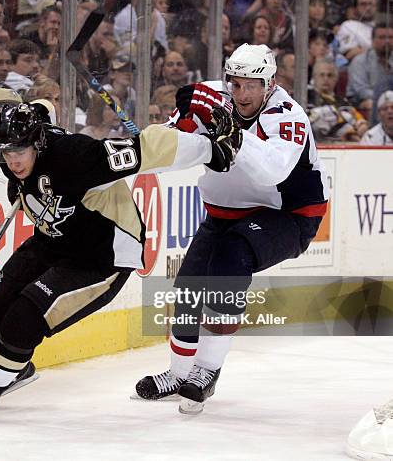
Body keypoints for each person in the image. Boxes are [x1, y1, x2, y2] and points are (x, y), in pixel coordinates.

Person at [0, 97, 243, 420]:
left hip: (102, 256)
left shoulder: (78, 157)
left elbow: (148, 148)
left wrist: (210, 149)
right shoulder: (19, 156)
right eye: (6, 152)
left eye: (19, 151)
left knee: (25, 315)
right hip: (55, 241)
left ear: (37, 143)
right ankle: (15, 369)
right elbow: (44, 107)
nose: (13, 161)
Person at [134, 44, 329, 415]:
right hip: (225, 213)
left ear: (270, 84)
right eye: (235, 84)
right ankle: (178, 374)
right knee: (189, 285)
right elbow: (184, 147)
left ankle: (206, 371)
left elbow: (273, 170)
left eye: (251, 85)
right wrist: (149, 151)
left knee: (229, 261)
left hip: (288, 215)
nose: (241, 94)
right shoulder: (213, 98)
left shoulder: (288, 114)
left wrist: (228, 130)